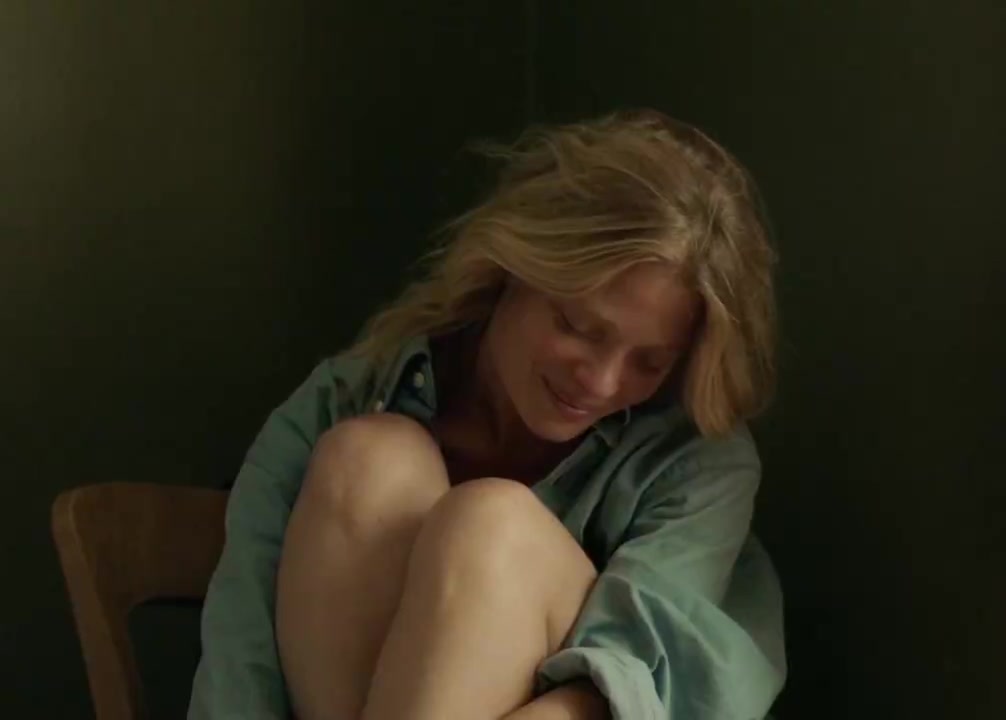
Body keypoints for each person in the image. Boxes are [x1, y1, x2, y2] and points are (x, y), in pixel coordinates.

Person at [187, 110, 786, 720]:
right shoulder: (344, 398)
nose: (603, 382)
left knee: (491, 528)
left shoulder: (696, 460)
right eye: (577, 326)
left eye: (650, 362)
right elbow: (242, 657)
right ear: (511, 268)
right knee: (365, 460)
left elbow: (640, 694)